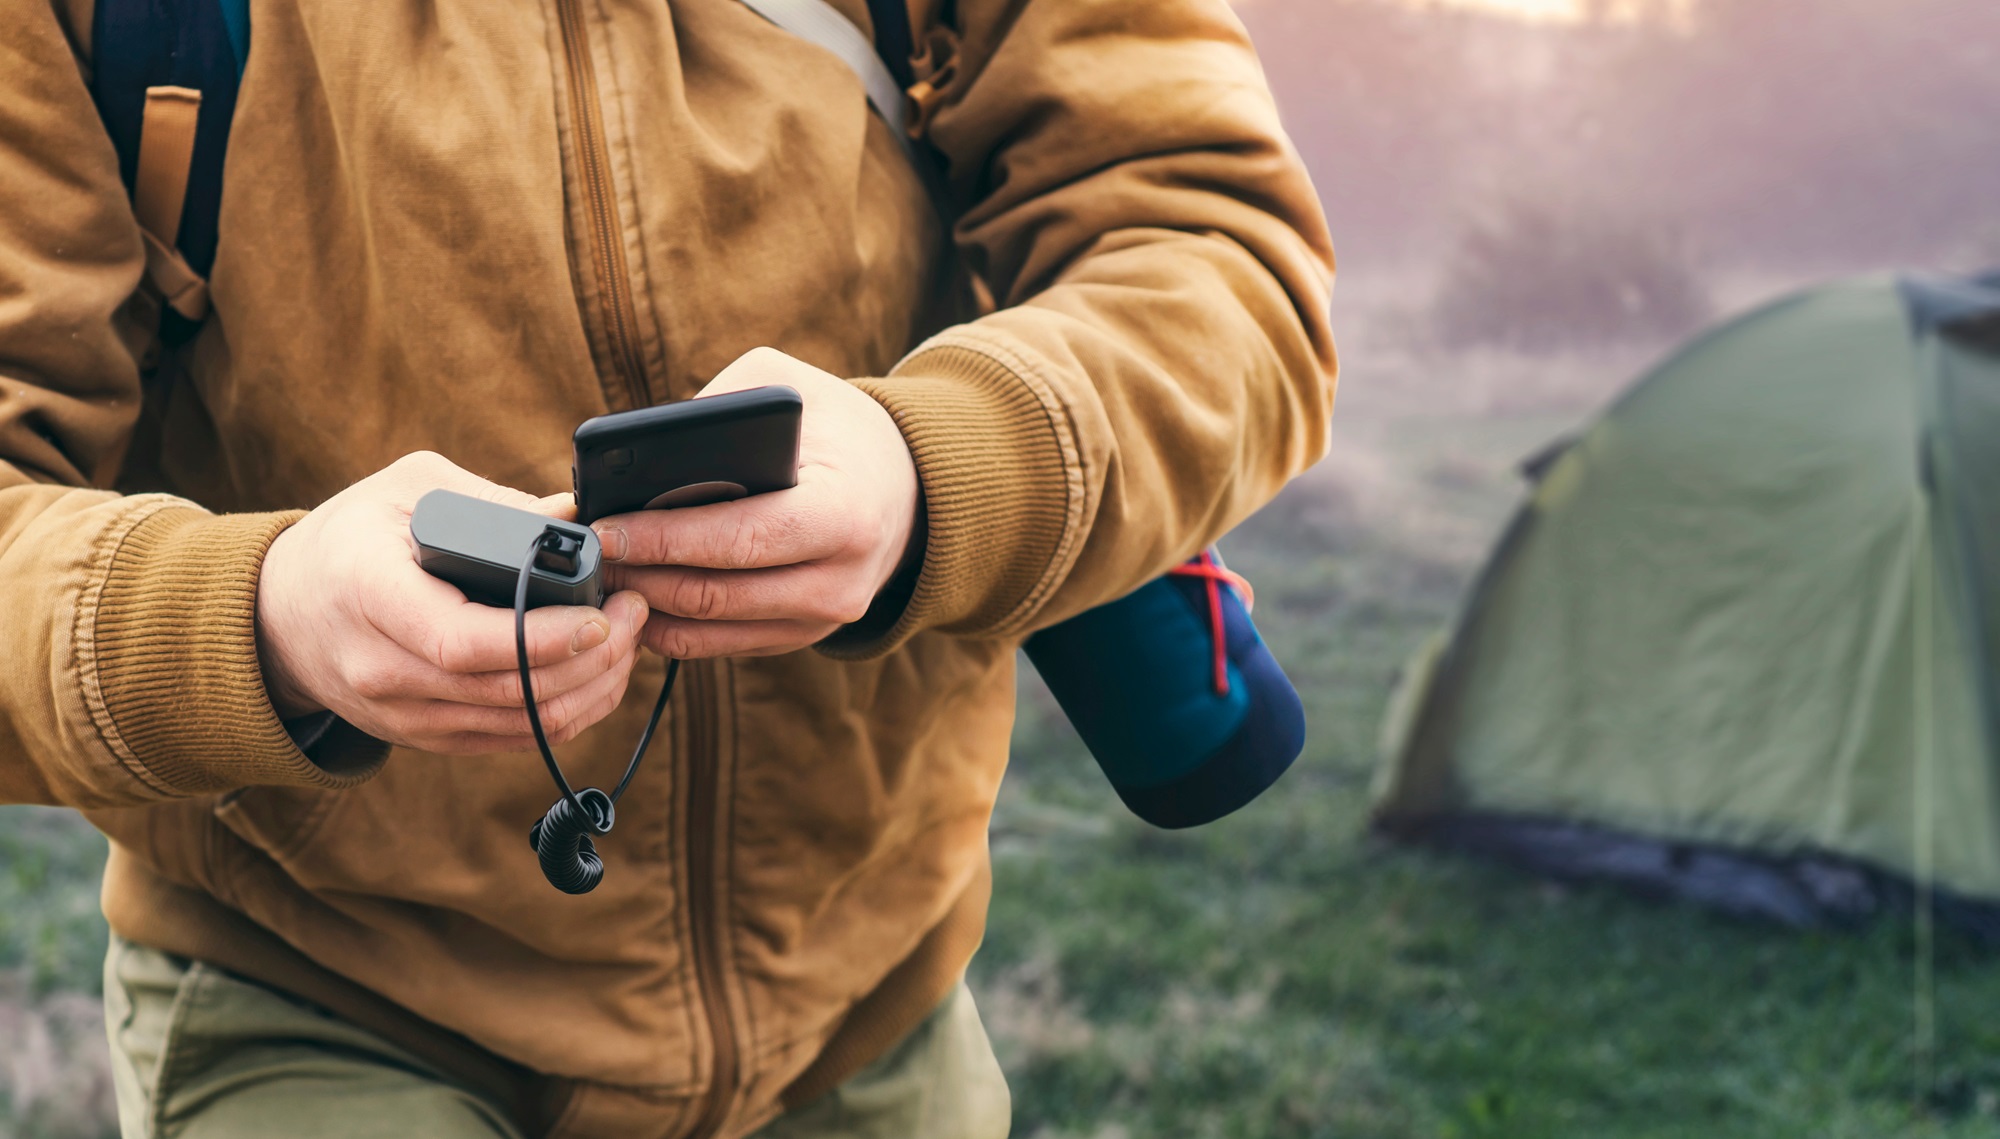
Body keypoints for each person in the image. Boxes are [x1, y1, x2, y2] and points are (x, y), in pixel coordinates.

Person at [0, 0, 1335, 1134]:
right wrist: (258, 624)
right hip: (321, 999)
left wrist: (936, 467)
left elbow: (1219, 258)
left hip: (875, 1013)